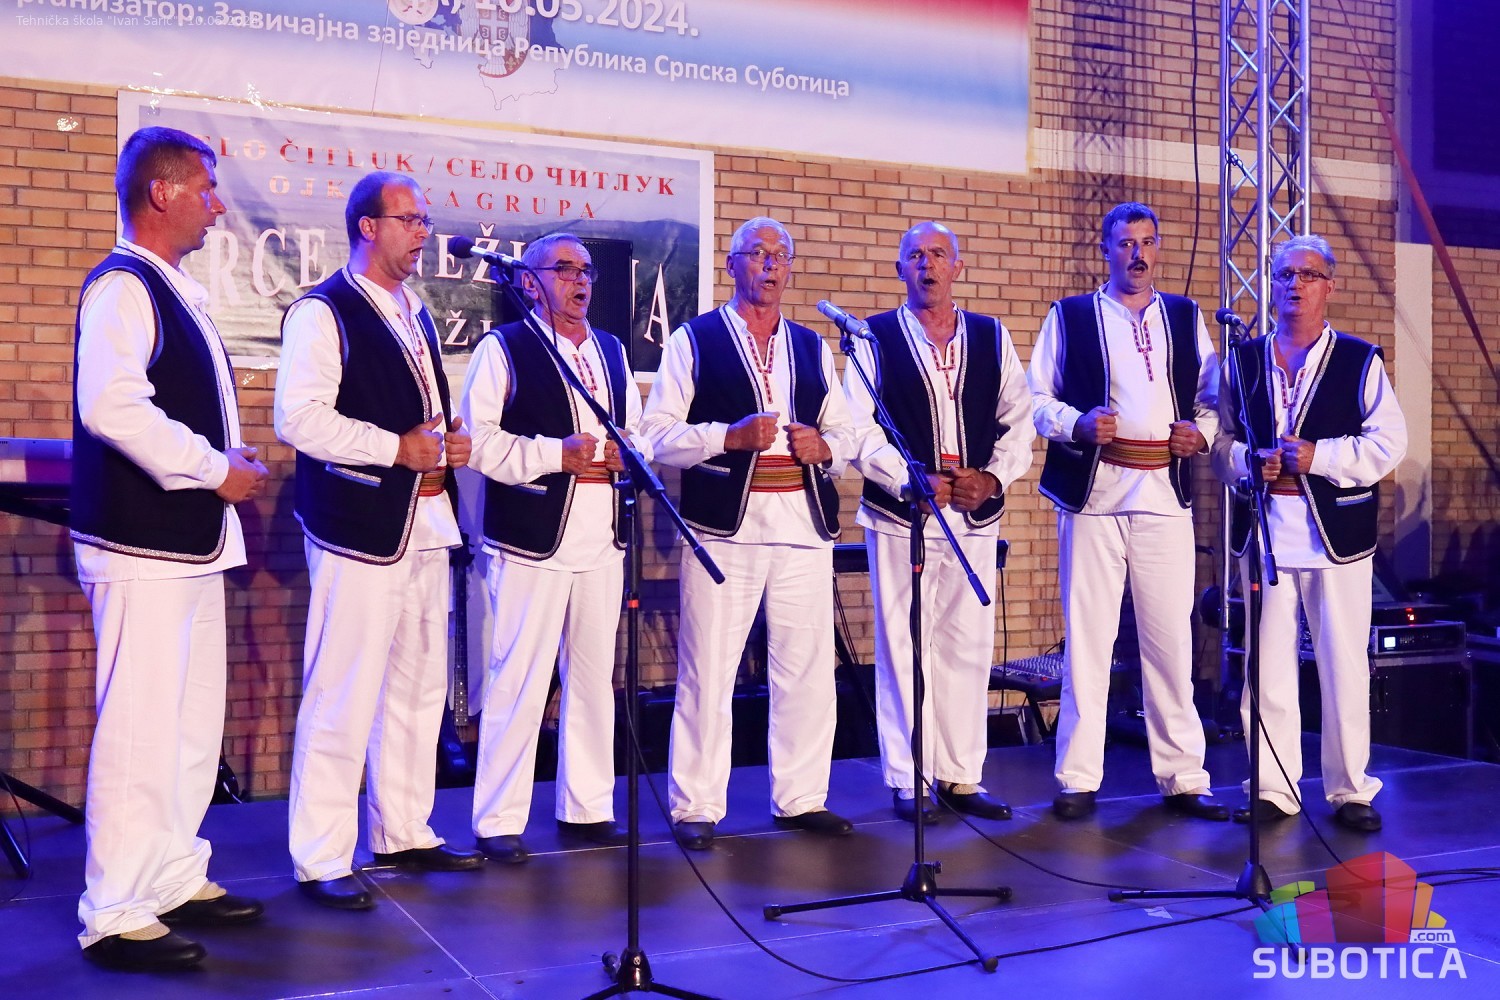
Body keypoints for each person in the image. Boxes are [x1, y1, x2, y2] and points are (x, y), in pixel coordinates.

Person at [71, 126, 269, 971]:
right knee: (140, 730)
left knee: (189, 726)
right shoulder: (123, 287)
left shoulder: (170, 288)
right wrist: (214, 467)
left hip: (187, 544)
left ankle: (170, 876)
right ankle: (114, 911)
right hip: (140, 543)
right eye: (206, 188)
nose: (218, 206)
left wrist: (224, 460)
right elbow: (111, 406)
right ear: (162, 192)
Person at [276, 170, 483, 910]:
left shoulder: (415, 310)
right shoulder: (323, 311)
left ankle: (403, 830)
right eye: (409, 219)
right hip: (357, 522)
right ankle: (321, 855)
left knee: (419, 687)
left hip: (424, 520)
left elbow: (416, 415)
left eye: (425, 220)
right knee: (343, 689)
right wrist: (396, 448)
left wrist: (448, 442)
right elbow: (299, 419)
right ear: (367, 227)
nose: (422, 233)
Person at [640, 216, 859, 850]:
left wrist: (826, 447)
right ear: (731, 264)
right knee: (709, 668)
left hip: (803, 526)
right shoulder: (695, 339)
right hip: (723, 528)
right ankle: (697, 805)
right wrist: (727, 437)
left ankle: (801, 797)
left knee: (806, 669)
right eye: (757, 253)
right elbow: (656, 436)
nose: (769, 264)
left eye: (780, 255)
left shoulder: (813, 346)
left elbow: (847, 432)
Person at [1027, 201, 1228, 822]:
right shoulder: (1070, 315)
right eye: (1126, 243)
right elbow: (1036, 399)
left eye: (1147, 242)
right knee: (1089, 641)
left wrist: (1202, 432)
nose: (1138, 255)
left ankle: (1184, 776)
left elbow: (1212, 398)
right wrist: (1076, 423)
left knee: (1170, 641)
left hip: (1164, 495)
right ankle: (1078, 777)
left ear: (1158, 248)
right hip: (1094, 495)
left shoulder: (1186, 316)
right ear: (1107, 250)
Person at [458, 233, 649, 864]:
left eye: (586, 270)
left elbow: (638, 432)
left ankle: (587, 807)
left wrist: (629, 454)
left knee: (593, 678)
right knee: (519, 677)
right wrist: (551, 454)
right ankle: (498, 818)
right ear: (531, 281)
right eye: (564, 269)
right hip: (531, 534)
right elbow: (478, 442)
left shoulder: (612, 351)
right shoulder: (504, 347)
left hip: (603, 536)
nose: (580, 280)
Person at [1212, 235, 1407, 833]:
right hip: (1267, 531)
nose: (1294, 284)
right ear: (1271, 285)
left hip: (1336, 534)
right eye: (1285, 274)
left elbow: (1388, 444)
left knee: (1343, 663)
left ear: (1330, 286)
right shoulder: (1243, 359)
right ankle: (1273, 787)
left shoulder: (1358, 359)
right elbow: (1221, 442)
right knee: (1266, 665)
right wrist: (1248, 462)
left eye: (1308, 274)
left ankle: (1350, 788)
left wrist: (1318, 456)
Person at [845, 221, 1034, 823]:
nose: (927, 264)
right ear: (900, 268)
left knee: (967, 646)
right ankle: (910, 779)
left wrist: (993, 478)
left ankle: (960, 775)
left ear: (958, 267)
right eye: (916, 256)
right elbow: (857, 429)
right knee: (906, 645)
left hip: (973, 514)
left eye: (938, 254)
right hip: (903, 517)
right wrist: (907, 478)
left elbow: (1020, 420)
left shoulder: (991, 335)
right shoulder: (872, 337)